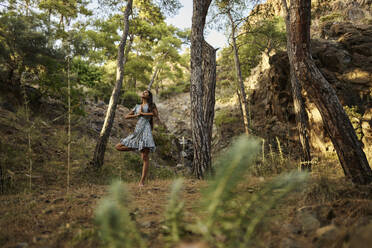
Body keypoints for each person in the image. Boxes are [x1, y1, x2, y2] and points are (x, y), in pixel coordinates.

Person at [115, 89, 158, 187]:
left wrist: (143, 114)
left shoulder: (152, 105)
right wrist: (137, 115)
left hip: (146, 129)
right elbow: (126, 116)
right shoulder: (137, 106)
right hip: (137, 129)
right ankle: (137, 147)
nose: (144, 93)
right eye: (143, 92)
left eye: (146, 92)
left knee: (145, 157)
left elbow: (155, 114)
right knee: (118, 147)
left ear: (149, 96)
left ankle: (142, 182)